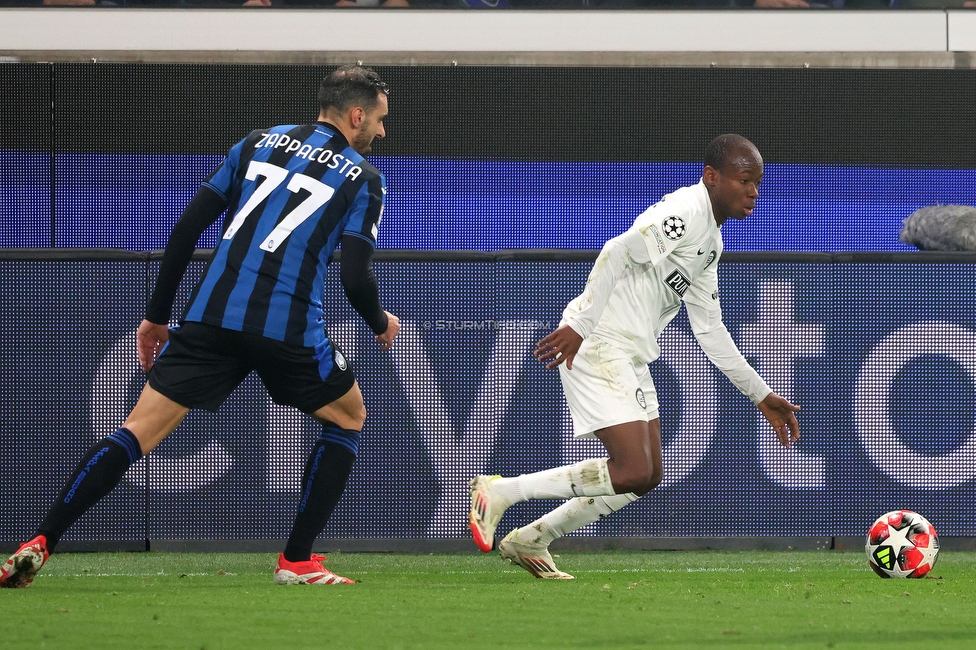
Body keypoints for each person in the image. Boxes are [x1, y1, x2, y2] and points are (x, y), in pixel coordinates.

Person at [1, 65, 400, 588]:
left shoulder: (257, 142)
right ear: (356, 115)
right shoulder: (363, 177)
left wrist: (156, 316)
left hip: (210, 316)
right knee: (349, 416)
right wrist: (378, 320)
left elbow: (187, 227)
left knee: (137, 431)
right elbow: (353, 273)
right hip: (288, 326)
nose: (382, 132)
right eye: (379, 120)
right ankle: (297, 561)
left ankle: (41, 540)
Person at [468, 134, 801, 579]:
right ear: (712, 177)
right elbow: (618, 249)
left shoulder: (712, 242)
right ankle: (502, 491)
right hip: (600, 338)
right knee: (631, 469)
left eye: (758, 183)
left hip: (630, 353)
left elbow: (710, 330)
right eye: (745, 180)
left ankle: (533, 538)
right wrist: (581, 325)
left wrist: (761, 396)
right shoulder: (685, 211)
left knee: (645, 476)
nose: (754, 192)